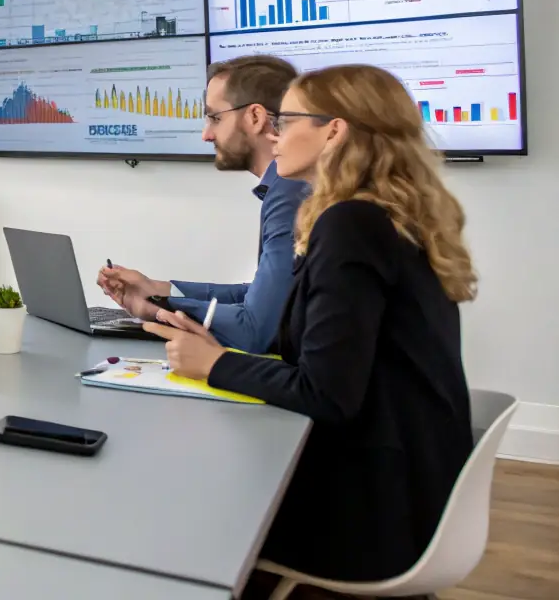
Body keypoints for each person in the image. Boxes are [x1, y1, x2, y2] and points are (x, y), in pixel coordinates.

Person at [149, 64, 475, 586]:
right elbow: (309, 344)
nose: (274, 133)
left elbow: (326, 394)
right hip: (415, 487)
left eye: (288, 119)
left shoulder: (351, 225)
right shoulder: (385, 217)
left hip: (377, 516)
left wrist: (215, 364)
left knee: (187, 508)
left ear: (334, 130)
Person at [98, 55, 307, 353]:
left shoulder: (290, 191)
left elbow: (256, 330)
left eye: (215, 117)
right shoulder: (287, 187)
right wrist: (161, 291)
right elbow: (258, 299)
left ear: (255, 118)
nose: (206, 134)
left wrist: (159, 312)